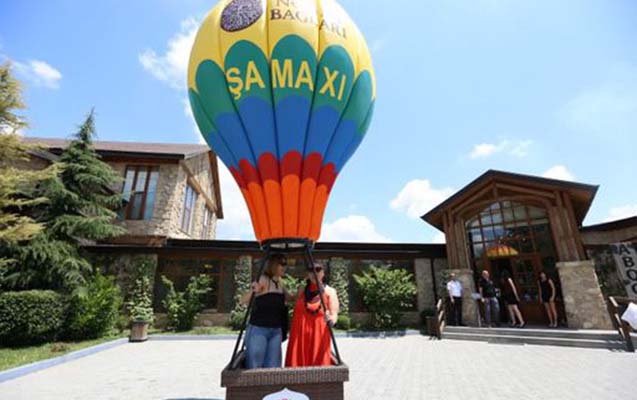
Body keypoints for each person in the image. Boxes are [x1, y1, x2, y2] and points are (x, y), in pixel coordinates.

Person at [242, 253, 291, 369]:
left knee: (273, 367)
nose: (285, 267)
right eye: (282, 264)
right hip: (259, 329)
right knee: (255, 365)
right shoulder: (263, 280)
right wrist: (253, 290)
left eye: (286, 264)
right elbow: (243, 300)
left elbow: (291, 298)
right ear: (273, 265)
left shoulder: (280, 283)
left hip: (275, 330)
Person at [285, 262, 339, 367]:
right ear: (307, 274)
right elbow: (291, 299)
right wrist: (278, 284)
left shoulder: (330, 292)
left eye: (318, 270)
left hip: (318, 338)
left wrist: (331, 320)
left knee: (318, 370)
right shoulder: (302, 289)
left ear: (323, 273)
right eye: (311, 270)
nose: (314, 273)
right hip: (299, 338)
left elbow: (334, 314)